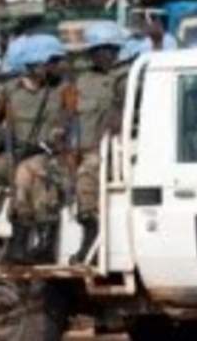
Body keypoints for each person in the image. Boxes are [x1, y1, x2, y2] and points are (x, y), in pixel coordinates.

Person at [0, 34, 75, 265]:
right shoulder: (10, 90)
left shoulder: (65, 89)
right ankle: (19, 242)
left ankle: (43, 242)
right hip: (22, 154)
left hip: (56, 156)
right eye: (52, 62)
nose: (58, 66)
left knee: (30, 171)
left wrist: (49, 142)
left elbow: (69, 122)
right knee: (19, 170)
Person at [69, 21, 126, 265]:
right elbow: (71, 116)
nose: (104, 55)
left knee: (87, 172)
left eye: (109, 49)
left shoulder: (126, 76)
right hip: (82, 148)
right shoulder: (82, 81)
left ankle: (91, 233)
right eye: (98, 50)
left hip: (113, 151)